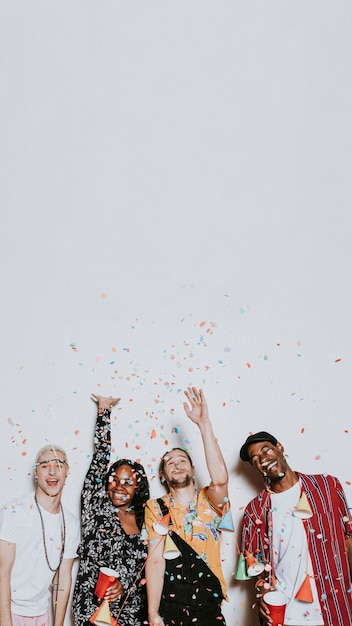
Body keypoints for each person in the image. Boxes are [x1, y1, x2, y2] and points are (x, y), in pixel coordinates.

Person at [239, 431, 352, 626]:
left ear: (280, 447)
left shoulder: (327, 486)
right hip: (286, 615)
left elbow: (348, 540)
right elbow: (254, 565)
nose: (263, 459)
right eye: (255, 459)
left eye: (266, 450)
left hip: (335, 610)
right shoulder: (254, 511)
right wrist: (261, 592)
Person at [144, 386, 230, 626]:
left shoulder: (210, 500)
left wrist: (204, 424)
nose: (177, 464)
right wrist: (152, 612)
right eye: (170, 462)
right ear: (163, 475)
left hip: (208, 599)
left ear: (193, 469)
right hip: (170, 603)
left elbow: (221, 479)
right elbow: (155, 560)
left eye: (182, 460)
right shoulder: (155, 507)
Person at [72, 394, 150, 626]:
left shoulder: (146, 518)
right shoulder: (95, 507)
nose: (118, 487)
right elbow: (99, 461)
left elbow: (146, 570)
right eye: (114, 480)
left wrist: (124, 585)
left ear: (138, 488)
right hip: (90, 608)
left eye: (127, 482)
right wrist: (104, 412)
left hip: (131, 611)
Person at [0, 443, 80, 626]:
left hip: (39, 615)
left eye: (59, 465)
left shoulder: (71, 524)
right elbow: (2, 572)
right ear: (36, 473)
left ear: (66, 472)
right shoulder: (13, 511)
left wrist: (58, 624)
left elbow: (62, 579)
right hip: (6, 609)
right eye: (45, 466)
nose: (52, 472)